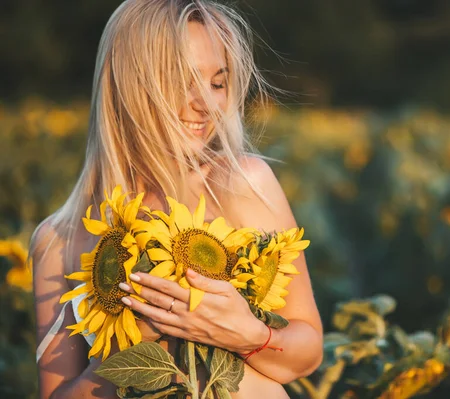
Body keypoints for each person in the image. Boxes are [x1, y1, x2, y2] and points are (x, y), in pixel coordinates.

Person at [30, 1, 323, 398]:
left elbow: (307, 350)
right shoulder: (59, 240)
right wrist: (135, 355)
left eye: (218, 83)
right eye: (182, 80)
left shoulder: (241, 184)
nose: (205, 104)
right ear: (129, 83)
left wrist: (247, 335)